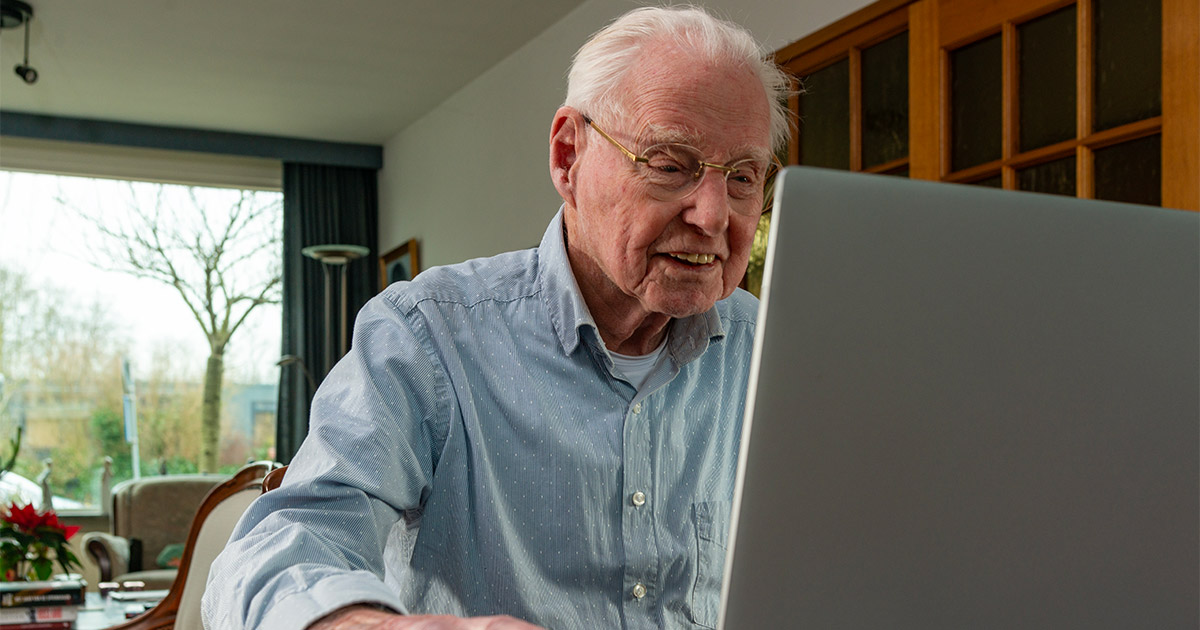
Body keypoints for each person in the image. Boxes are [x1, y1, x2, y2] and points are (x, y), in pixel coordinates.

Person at [202, 6, 791, 629]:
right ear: (569, 156)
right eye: (671, 165)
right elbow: (285, 542)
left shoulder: (776, 352)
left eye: (744, 177)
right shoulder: (428, 336)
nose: (713, 215)